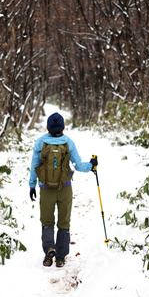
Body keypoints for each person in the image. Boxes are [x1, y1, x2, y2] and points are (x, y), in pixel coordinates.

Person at [29, 112, 98, 267]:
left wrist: (32, 185)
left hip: (46, 188)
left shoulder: (40, 143)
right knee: (64, 223)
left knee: (47, 221)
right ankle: (60, 258)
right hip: (64, 188)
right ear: (63, 127)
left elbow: (35, 166)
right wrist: (91, 165)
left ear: (47, 127)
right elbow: (79, 166)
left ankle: (49, 250)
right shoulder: (68, 143)